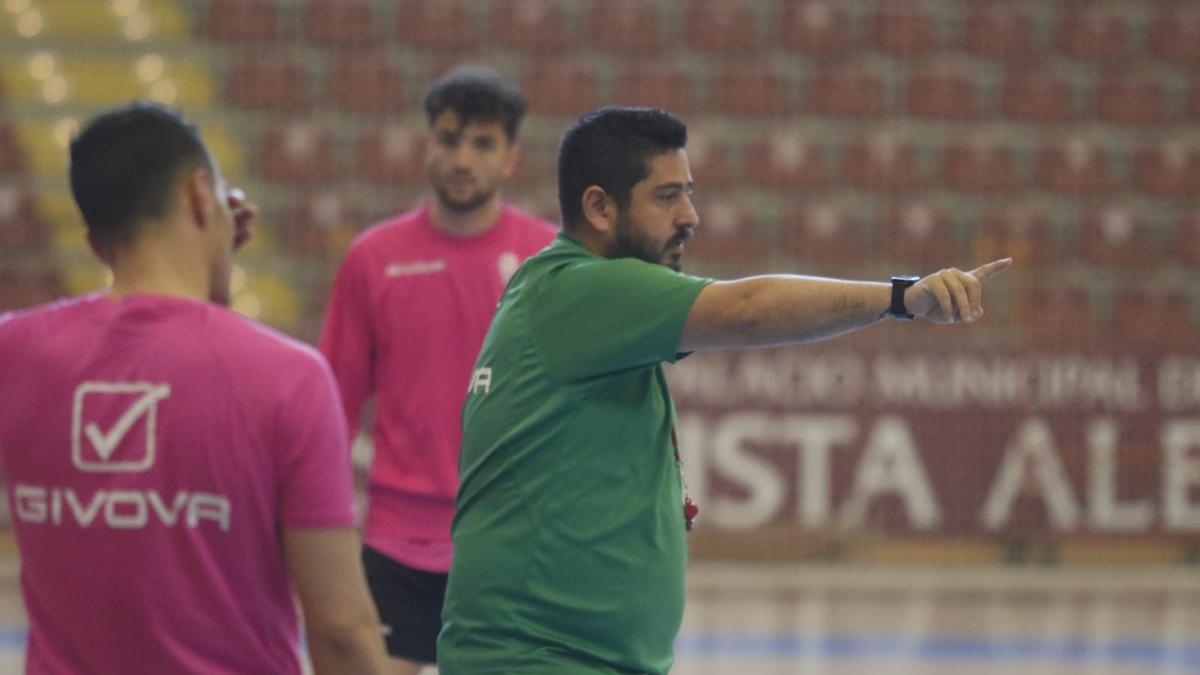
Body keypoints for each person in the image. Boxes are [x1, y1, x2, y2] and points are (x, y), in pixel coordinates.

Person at [437, 106, 1013, 674]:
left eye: (688, 192)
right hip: (536, 660)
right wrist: (900, 298)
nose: (690, 215)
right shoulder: (577, 290)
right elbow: (748, 310)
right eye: (667, 196)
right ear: (599, 207)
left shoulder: (584, 303)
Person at [0, 101, 388, 675]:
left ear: (95, 241)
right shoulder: (288, 378)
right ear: (200, 195)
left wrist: (206, 288)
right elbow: (340, 633)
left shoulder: (14, 353)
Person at [319, 65, 557, 673]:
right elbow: (332, 410)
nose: (461, 158)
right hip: (395, 543)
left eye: (482, 143)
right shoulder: (373, 258)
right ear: (428, 144)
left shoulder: (545, 260)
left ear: (510, 157)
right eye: (449, 139)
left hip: (510, 543)